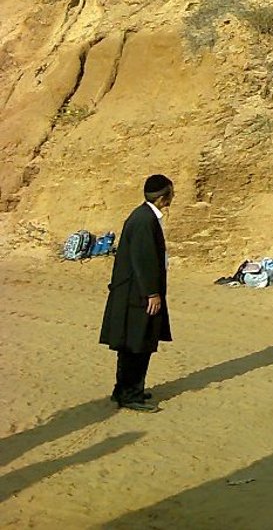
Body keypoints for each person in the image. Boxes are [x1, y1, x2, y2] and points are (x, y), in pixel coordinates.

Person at [99, 174, 174, 412]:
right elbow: (144, 260)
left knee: (132, 343)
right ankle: (130, 394)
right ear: (163, 197)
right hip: (137, 295)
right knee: (137, 344)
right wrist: (152, 293)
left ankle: (125, 390)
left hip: (134, 292)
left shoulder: (143, 216)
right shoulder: (144, 220)